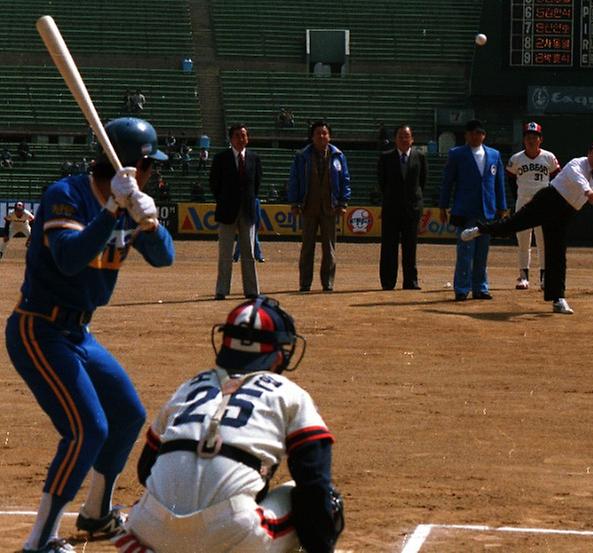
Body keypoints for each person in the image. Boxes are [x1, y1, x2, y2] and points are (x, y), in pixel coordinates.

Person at [4, 117, 174, 553]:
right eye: (152, 164)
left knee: (127, 415)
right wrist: (112, 211)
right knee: (86, 430)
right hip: (38, 328)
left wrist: (149, 223)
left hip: (78, 332)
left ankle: (96, 514)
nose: (156, 171)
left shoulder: (128, 199)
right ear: (137, 163)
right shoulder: (68, 195)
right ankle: (39, 542)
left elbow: (164, 259)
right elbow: (69, 258)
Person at [112, 296, 344, 553]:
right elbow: (314, 481)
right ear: (278, 356)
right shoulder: (289, 393)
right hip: (234, 534)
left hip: (149, 529)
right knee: (325, 501)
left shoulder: (189, 387)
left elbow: (146, 470)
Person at [461, 136, 593, 314]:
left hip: (565, 213)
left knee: (557, 254)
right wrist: (587, 191)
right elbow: (579, 180)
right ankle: (480, 229)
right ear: (589, 152)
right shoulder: (576, 164)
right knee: (510, 226)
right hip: (548, 201)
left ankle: (558, 299)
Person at [438, 119, 507, 301]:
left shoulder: (494, 155)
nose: (477, 136)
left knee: (482, 252)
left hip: (487, 211)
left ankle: (480, 287)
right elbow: (448, 182)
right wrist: (443, 205)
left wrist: (502, 206)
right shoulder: (457, 154)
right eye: (473, 133)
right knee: (464, 251)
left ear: (484, 135)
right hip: (465, 210)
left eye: (480, 133)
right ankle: (461, 288)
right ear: (467, 135)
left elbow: (499, 183)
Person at [287, 121, 351, 292]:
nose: (321, 136)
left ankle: (328, 282)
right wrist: (294, 202)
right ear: (312, 136)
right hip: (309, 205)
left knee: (329, 247)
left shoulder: (338, 155)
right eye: (318, 133)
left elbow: (345, 180)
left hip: (330, 206)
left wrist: (343, 202)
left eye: (324, 133)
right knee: (307, 247)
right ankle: (305, 282)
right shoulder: (302, 156)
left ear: (329, 136)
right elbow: (294, 180)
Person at [211, 123, 263, 300]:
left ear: (247, 138)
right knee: (225, 253)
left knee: (248, 253)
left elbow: (256, 185)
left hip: (247, 211)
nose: (241, 139)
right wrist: (225, 200)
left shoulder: (254, 158)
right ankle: (221, 290)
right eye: (237, 136)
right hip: (227, 211)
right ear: (231, 139)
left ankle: (252, 290)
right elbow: (214, 184)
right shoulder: (221, 158)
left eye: (244, 135)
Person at [506, 122, 560, 290]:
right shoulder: (516, 159)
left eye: (534, 137)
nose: (531, 140)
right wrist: (518, 197)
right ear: (524, 140)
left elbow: (558, 176)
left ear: (540, 140)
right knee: (523, 241)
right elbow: (510, 179)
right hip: (523, 202)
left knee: (544, 242)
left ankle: (544, 278)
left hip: (543, 204)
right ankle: (523, 277)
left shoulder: (549, 157)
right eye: (528, 137)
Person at [377, 124, 427, 290]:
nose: (404, 139)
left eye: (407, 136)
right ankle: (388, 282)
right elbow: (382, 182)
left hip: (412, 209)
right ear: (395, 139)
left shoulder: (419, 157)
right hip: (391, 208)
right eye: (400, 136)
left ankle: (411, 281)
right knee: (389, 246)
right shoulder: (385, 157)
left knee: (410, 246)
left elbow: (422, 182)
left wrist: (414, 201)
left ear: (412, 139)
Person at [233, 198, 266, 263]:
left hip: (252, 221)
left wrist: (258, 223)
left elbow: (258, 213)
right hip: (246, 221)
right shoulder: (249, 200)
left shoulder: (255, 200)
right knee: (244, 239)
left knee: (252, 239)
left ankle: (236, 256)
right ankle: (258, 256)